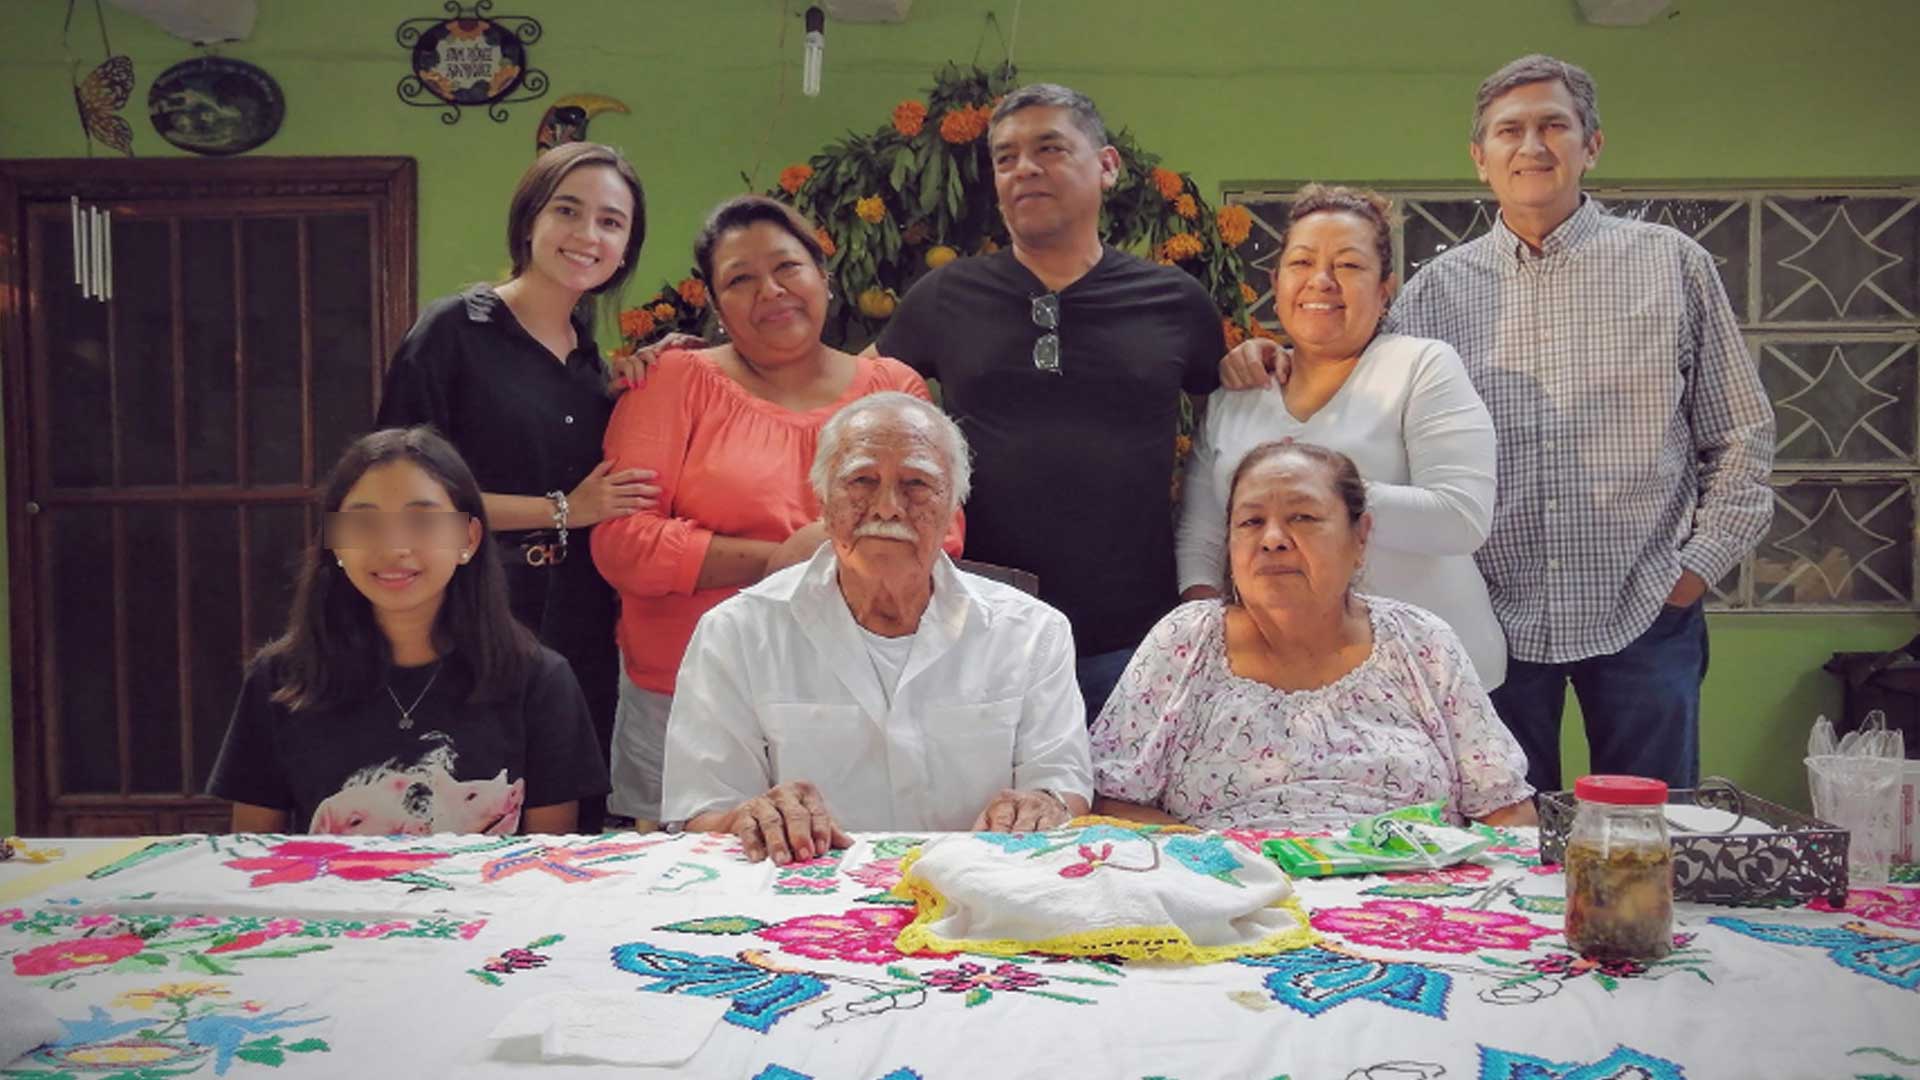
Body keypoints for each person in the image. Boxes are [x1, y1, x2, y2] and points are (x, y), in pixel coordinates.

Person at [1219, 56, 1774, 791]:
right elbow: (1352, 380)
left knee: (1648, 827)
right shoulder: (1435, 292)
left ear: (1591, 145)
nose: (1532, 147)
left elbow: (1740, 434)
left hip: (1645, 604)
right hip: (1494, 614)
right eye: (1509, 131)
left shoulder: (1671, 266)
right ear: (1480, 157)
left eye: (1554, 126)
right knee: (1502, 827)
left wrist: (1692, 571)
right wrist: (1270, 358)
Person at [592, 196, 961, 827]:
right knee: (688, 878)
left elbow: (941, 531)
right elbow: (624, 543)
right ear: (716, 304)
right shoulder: (670, 382)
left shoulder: (892, 388)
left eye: (788, 267)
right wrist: (781, 560)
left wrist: (812, 551)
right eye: (740, 279)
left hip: (863, 698)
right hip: (684, 694)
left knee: (852, 869)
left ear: (824, 276)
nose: (770, 290)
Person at [873, 83, 1226, 724]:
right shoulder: (945, 296)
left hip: (1134, 643)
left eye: (1049, 148)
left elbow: (1230, 437)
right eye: (1005, 158)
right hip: (977, 636)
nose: (1024, 169)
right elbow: (846, 398)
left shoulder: (1175, 301)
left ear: (1107, 166)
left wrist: (1269, 361)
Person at [661, 393, 1092, 862]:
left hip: (973, 891)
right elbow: (703, 811)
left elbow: (1060, 785)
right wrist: (751, 817)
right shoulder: (737, 633)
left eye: (917, 484)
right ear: (823, 502)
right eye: (862, 481)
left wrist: (1042, 805)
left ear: (953, 508)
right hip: (796, 894)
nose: (887, 508)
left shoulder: (1032, 634)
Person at [377, 142, 656, 831]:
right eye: (568, 210)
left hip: (583, 627)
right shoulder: (453, 330)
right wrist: (563, 510)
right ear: (529, 218)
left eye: (611, 222)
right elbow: (399, 498)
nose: (587, 234)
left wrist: (649, 379)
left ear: (626, 249)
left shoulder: (592, 366)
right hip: (470, 617)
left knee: (568, 829)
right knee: (460, 817)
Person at [1092, 441, 1535, 832]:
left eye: (1302, 517)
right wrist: (1218, 862)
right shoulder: (1184, 641)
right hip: (1238, 889)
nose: (1272, 539)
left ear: (1360, 537)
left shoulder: (1421, 642)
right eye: (1250, 522)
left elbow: (1506, 811)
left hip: (1416, 891)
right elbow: (1110, 801)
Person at [1177, 184, 1505, 688]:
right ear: (1276, 281)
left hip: (1425, 680)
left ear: (1385, 288)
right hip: (1275, 682)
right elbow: (1201, 537)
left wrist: (1317, 502)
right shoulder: (1239, 393)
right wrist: (1210, 641)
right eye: (1302, 263)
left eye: (1349, 265)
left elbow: (1461, 517)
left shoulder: (1420, 366)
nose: (1321, 281)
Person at [208, 427, 609, 836]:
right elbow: (253, 855)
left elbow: (548, 862)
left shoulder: (540, 681)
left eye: (421, 521)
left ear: (468, 538)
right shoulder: (280, 680)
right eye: (365, 522)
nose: (394, 546)